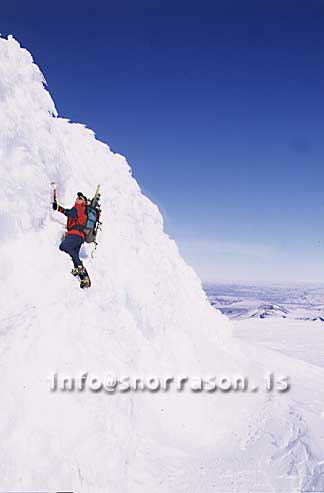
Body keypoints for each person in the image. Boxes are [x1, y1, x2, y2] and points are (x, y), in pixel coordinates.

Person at [53, 192, 90, 283]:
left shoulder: (79, 207)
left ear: (84, 202)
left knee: (64, 247)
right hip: (79, 236)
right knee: (74, 257)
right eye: (77, 197)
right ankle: (85, 278)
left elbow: (70, 213)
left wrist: (58, 208)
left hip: (75, 234)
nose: (78, 199)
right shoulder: (81, 209)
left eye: (80, 198)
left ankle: (80, 267)